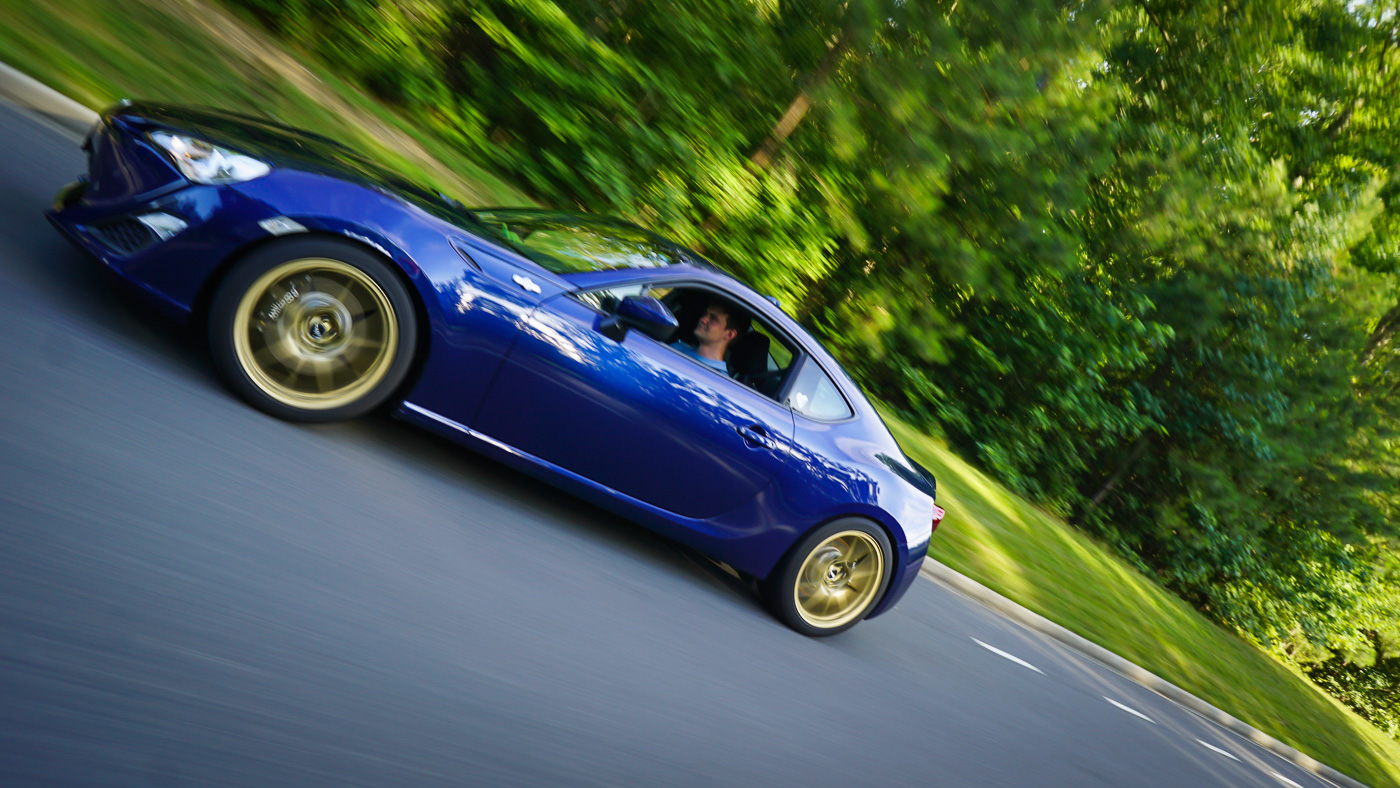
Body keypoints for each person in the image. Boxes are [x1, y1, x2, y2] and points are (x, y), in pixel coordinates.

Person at [671, 300, 749, 374]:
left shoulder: (719, 380)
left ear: (729, 334)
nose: (703, 319)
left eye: (713, 318)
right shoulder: (678, 346)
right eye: (705, 314)